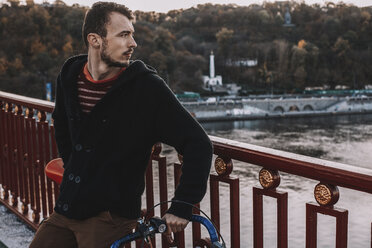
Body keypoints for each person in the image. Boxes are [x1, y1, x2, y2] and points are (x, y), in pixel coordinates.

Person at [29, 2, 213, 248]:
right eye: (124, 35)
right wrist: (75, 169)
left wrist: (182, 205)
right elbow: (61, 123)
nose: (133, 43)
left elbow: (198, 144)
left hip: (111, 217)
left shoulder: (147, 88)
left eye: (132, 34)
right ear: (95, 40)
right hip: (68, 206)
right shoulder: (70, 73)